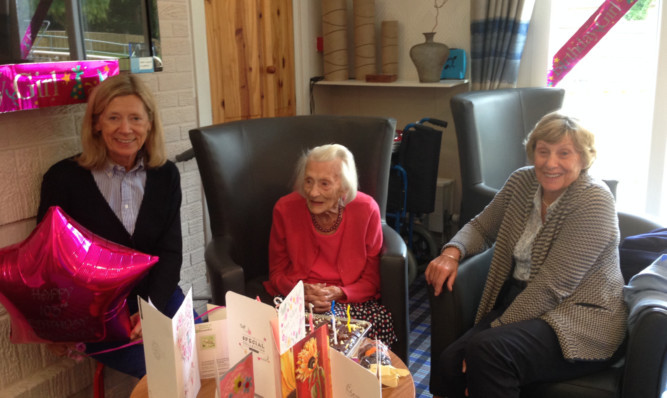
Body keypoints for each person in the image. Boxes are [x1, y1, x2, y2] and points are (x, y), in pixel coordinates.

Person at [425, 113, 626, 398]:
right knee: (450, 363)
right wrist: (451, 252)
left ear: (584, 159)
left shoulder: (594, 200)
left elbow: (550, 288)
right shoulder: (522, 182)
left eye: (564, 153)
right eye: (543, 151)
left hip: (582, 318)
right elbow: (481, 227)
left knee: (488, 352)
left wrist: (491, 331)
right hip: (523, 303)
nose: (550, 162)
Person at [37, 73, 185, 379]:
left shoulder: (165, 175)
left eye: (136, 118)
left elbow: (170, 252)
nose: (126, 129)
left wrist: (152, 311)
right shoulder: (63, 180)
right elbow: (48, 263)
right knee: (168, 374)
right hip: (96, 316)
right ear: (96, 123)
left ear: (150, 124)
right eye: (114, 117)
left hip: (157, 298)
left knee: (206, 355)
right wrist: (57, 326)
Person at [263, 144, 397, 347]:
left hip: (348, 300)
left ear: (344, 186)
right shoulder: (285, 209)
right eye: (308, 181)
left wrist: (338, 292)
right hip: (296, 296)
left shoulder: (366, 210)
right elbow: (277, 273)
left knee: (350, 334)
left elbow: (371, 280)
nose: (313, 192)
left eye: (324, 184)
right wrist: (301, 292)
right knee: (273, 332)